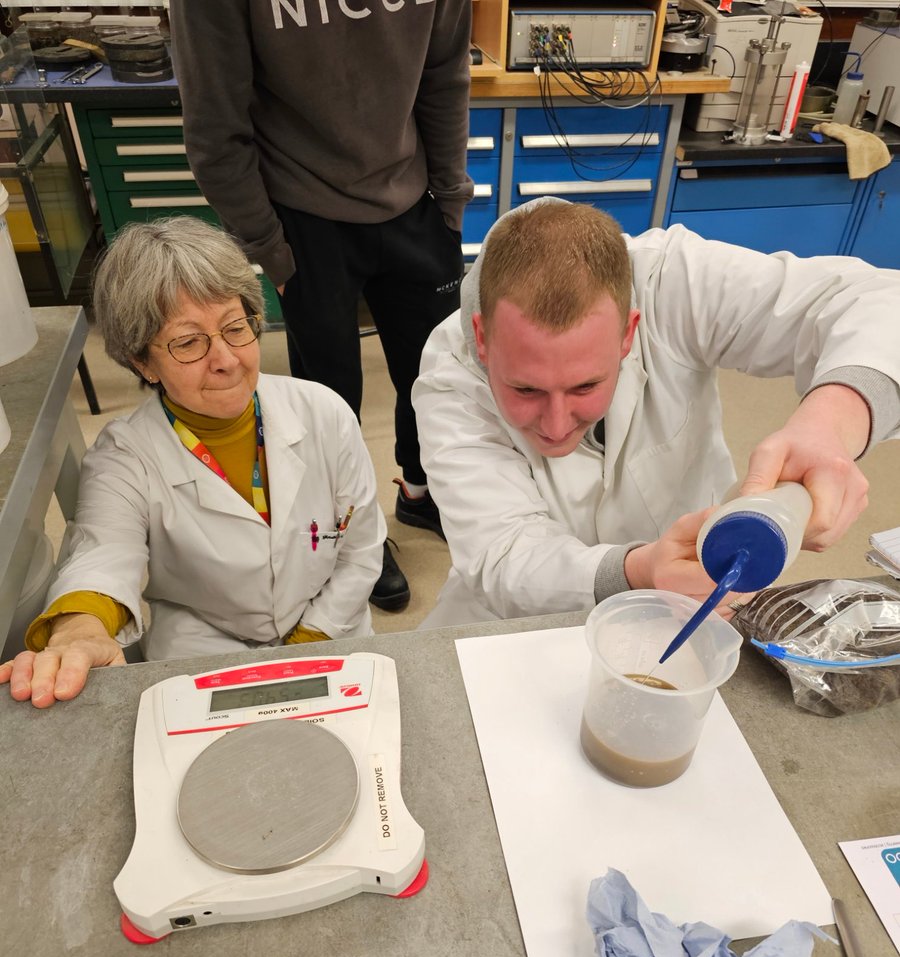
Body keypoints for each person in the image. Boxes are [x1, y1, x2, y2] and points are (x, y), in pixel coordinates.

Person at [412, 198, 900, 627]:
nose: (557, 425)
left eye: (586, 385)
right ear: (480, 336)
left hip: (699, 592)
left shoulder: (671, 284)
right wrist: (637, 571)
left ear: (629, 331)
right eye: (525, 388)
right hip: (516, 614)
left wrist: (831, 426)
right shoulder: (450, 376)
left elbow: (875, 301)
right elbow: (504, 556)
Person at [0, 218, 384, 707]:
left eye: (235, 327)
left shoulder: (323, 411)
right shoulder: (125, 455)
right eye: (188, 341)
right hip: (203, 644)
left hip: (332, 628)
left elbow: (361, 549)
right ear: (142, 362)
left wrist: (310, 642)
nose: (225, 358)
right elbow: (102, 553)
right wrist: (79, 632)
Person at [168, 0, 473, 613]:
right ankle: (354, 527)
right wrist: (268, 247)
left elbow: (445, 72)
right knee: (327, 396)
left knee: (436, 374)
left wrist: (450, 197)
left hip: (415, 201)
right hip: (302, 215)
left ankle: (420, 494)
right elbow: (215, 127)